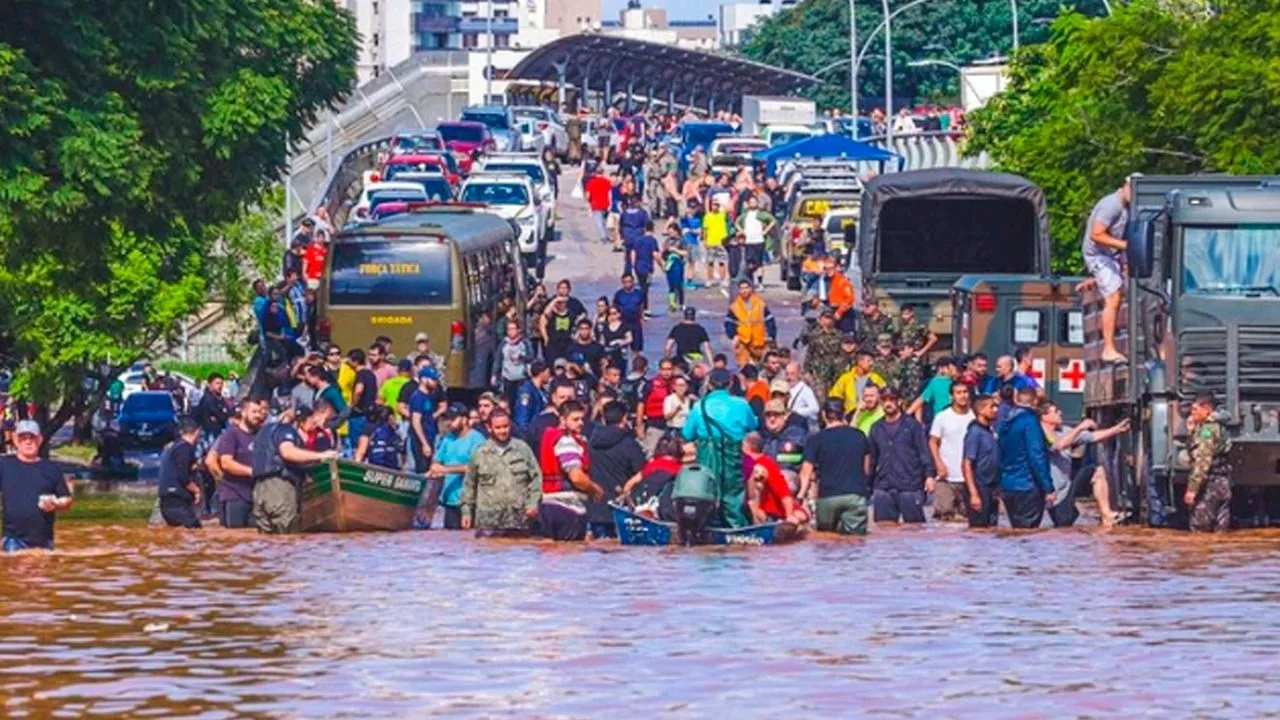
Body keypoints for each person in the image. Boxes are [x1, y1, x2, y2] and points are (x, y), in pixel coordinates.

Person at [681, 368, 758, 528]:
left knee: (707, 490)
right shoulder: (741, 404)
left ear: (709, 385)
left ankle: (707, 527)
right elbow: (753, 425)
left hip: (707, 454)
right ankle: (736, 531)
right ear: (730, 384)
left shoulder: (698, 406)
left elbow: (687, 434)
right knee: (733, 495)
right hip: (732, 453)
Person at [251, 400, 338, 534]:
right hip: (279, 488)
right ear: (302, 420)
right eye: (312, 422)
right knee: (288, 537)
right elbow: (288, 452)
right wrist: (322, 455)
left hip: (259, 490)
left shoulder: (262, 432)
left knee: (266, 539)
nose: (314, 426)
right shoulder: (286, 430)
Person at [1040, 403, 1129, 528]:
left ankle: (1107, 516)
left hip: (1068, 485)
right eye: (1055, 411)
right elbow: (1059, 445)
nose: (1060, 413)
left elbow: (1092, 437)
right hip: (1054, 493)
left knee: (1097, 471)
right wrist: (1080, 427)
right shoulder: (1039, 433)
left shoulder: (1064, 430)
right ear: (1044, 417)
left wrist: (1116, 429)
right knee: (1064, 523)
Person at [460, 410, 542, 537]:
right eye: (498, 428)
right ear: (489, 428)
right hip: (488, 522)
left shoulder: (522, 449)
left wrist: (533, 503)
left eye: (506, 426)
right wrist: (466, 512)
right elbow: (469, 484)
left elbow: (536, 478)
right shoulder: (480, 453)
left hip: (519, 521)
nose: (503, 431)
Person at [799, 400, 872, 534]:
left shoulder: (815, 439)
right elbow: (867, 469)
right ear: (843, 414)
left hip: (827, 499)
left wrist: (800, 496)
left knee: (827, 541)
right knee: (856, 542)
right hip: (855, 496)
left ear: (824, 415)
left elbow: (806, 472)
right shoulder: (860, 436)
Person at [537, 400, 605, 541]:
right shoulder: (567, 441)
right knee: (571, 557)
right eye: (575, 419)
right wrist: (595, 489)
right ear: (562, 419)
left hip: (547, 506)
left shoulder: (550, 436)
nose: (580, 423)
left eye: (582, 419)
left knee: (549, 556)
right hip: (568, 509)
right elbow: (576, 477)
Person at [0, 421, 73, 551]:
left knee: (43, 571)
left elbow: (66, 499)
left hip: (44, 541)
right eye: (23, 438)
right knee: (15, 569)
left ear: (39, 440)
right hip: (13, 539)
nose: (28, 442)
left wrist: (55, 504)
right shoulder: (4, 465)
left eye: (32, 438)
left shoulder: (52, 468)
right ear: (16, 440)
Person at [1083, 176, 1132, 364]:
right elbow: (1096, 234)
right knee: (1113, 296)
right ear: (1125, 186)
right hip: (1098, 256)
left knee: (1123, 295)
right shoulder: (1112, 205)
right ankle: (1108, 349)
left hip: (1111, 256)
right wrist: (1124, 245)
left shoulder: (1127, 208)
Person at [868, 386, 934, 524]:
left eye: (892, 399)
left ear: (899, 402)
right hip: (883, 487)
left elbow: (924, 452)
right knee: (884, 530)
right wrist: (867, 485)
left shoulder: (912, 426)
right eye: (884, 400)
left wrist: (929, 476)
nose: (888, 403)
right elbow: (872, 460)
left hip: (909, 487)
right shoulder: (876, 428)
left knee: (915, 529)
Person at [587, 401, 646, 538]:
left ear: (603, 418)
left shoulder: (591, 442)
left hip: (595, 509)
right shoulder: (630, 444)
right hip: (620, 509)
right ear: (624, 418)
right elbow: (641, 472)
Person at [997, 387, 1053, 529]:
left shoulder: (1006, 422)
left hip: (1008, 486)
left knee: (1016, 532)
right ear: (1035, 401)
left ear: (1017, 400)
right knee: (1029, 535)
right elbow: (1036, 455)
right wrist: (1048, 487)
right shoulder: (1030, 421)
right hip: (1027, 485)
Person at [210, 397, 268, 529]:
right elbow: (226, 463)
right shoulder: (231, 435)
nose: (258, 416)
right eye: (254, 412)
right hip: (234, 496)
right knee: (236, 539)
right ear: (243, 412)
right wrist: (252, 471)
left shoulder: (261, 435)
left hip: (256, 496)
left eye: (260, 412)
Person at [431, 403, 487, 530]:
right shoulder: (447, 439)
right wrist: (434, 468)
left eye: (453, 419)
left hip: (470, 502)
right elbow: (437, 460)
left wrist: (446, 470)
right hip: (449, 501)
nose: (449, 423)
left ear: (464, 419)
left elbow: (476, 467)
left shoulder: (477, 439)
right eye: (447, 419)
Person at [1185, 391, 1232, 533]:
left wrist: (1192, 489)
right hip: (1223, 484)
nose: (1192, 413)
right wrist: (1191, 431)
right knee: (1220, 528)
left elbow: (1202, 462)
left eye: (1195, 409)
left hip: (1210, 486)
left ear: (1207, 409)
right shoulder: (1215, 425)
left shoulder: (1207, 430)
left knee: (1200, 529)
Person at [928, 382, 975, 521]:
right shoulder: (942, 417)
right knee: (944, 516)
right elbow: (933, 441)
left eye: (965, 392)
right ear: (952, 396)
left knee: (968, 519)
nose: (962, 396)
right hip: (946, 477)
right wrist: (938, 464)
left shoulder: (975, 416)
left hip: (969, 478)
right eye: (958, 392)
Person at [743, 432, 803, 524]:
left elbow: (783, 491)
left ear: (746, 447)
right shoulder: (745, 463)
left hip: (770, 515)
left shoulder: (765, 464)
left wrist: (789, 516)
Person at [962, 394, 1002, 528]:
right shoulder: (974, 433)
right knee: (978, 529)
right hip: (979, 487)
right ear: (980, 410)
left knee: (992, 528)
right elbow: (967, 463)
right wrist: (974, 494)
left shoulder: (991, 430)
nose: (996, 410)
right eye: (992, 407)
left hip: (992, 488)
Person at [158, 419, 203, 529]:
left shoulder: (173, 448)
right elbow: (183, 476)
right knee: (195, 531)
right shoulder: (184, 448)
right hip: (176, 501)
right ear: (197, 432)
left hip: (168, 501)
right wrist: (197, 491)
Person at [725, 279, 776, 368]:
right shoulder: (735, 306)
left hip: (759, 341)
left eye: (746, 288)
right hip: (743, 342)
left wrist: (771, 336)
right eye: (742, 288)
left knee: (764, 366)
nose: (744, 291)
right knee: (744, 368)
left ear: (751, 289)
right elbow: (729, 323)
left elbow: (770, 320)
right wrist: (733, 335)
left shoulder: (760, 304)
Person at [798, 310, 846, 399]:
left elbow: (842, 354)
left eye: (830, 318)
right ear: (820, 320)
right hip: (818, 372)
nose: (828, 321)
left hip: (834, 372)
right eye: (825, 318)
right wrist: (806, 370)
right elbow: (810, 353)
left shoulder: (839, 335)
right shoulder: (814, 335)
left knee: (834, 397)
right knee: (820, 398)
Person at [828, 348, 885, 415]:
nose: (871, 363)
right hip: (850, 415)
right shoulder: (846, 378)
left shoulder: (876, 378)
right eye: (869, 361)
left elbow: (885, 394)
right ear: (860, 362)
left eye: (871, 361)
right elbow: (835, 396)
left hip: (871, 414)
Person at [734, 195, 775, 285]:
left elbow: (772, 221)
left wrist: (765, 231)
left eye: (754, 202)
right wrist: (742, 231)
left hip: (759, 241)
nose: (753, 204)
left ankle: (760, 283)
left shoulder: (761, 214)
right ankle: (750, 280)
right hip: (748, 241)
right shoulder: (745, 215)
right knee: (749, 262)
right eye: (751, 202)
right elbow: (737, 222)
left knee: (759, 263)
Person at [639, 359, 676, 453]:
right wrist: (639, 426)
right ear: (659, 370)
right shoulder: (650, 385)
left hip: (672, 424)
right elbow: (641, 405)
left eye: (669, 369)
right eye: (664, 369)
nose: (667, 372)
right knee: (650, 451)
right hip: (654, 423)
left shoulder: (678, 384)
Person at [355, 405, 403, 471]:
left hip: (374, 469)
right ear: (391, 417)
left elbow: (361, 451)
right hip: (392, 471)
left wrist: (356, 468)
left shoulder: (369, 429)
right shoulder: (396, 433)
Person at [910, 356, 957, 423]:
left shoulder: (935, 381)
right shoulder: (939, 381)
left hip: (939, 420)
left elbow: (918, 402)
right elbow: (919, 401)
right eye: (951, 368)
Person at [512, 360, 550, 440]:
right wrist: (524, 435)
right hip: (529, 434)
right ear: (541, 373)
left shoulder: (542, 390)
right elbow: (522, 414)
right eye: (548, 373)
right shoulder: (526, 391)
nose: (549, 376)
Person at [629, 221, 662, 313]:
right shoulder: (652, 240)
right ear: (653, 229)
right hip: (647, 268)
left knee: (641, 286)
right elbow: (655, 255)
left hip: (638, 267)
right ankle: (644, 308)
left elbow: (633, 252)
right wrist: (662, 266)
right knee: (645, 288)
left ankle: (643, 307)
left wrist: (633, 265)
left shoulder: (637, 239)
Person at [613, 273, 647, 352]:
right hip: (623, 324)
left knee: (637, 350)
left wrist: (642, 318)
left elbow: (641, 307)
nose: (628, 284)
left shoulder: (639, 293)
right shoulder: (619, 294)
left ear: (633, 282)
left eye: (629, 281)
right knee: (622, 350)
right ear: (622, 282)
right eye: (625, 282)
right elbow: (614, 309)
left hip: (636, 324)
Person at [702, 198, 730, 288]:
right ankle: (709, 280)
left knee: (722, 262)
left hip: (721, 242)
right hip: (711, 242)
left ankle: (723, 280)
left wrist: (721, 203)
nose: (715, 207)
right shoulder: (708, 216)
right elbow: (705, 230)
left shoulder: (722, 215)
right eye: (714, 205)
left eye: (717, 205)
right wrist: (705, 241)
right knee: (710, 262)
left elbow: (729, 209)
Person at [784, 362, 820, 428]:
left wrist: (796, 412)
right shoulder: (786, 388)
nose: (789, 377)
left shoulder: (805, 390)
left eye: (792, 374)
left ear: (798, 374)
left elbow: (815, 408)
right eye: (787, 374)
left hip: (804, 427)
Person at [662, 224, 688, 313]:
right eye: (669, 232)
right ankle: (672, 304)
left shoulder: (682, 240)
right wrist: (665, 251)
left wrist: (675, 250)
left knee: (678, 284)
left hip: (678, 263)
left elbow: (685, 253)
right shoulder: (667, 240)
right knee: (671, 285)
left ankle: (681, 303)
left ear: (676, 231)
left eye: (672, 232)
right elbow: (663, 253)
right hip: (669, 264)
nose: (670, 234)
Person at [585, 167, 614, 243]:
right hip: (605, 204)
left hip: (595, 204)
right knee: (604, 221)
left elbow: (588, 195)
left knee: (599, 222)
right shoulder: (607, 181)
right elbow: (610, 194)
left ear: (595, 173)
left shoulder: (591, 182)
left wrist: (588, 203)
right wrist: (610, 204)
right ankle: (607, 235)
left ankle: (603, 237)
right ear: (603, 172)